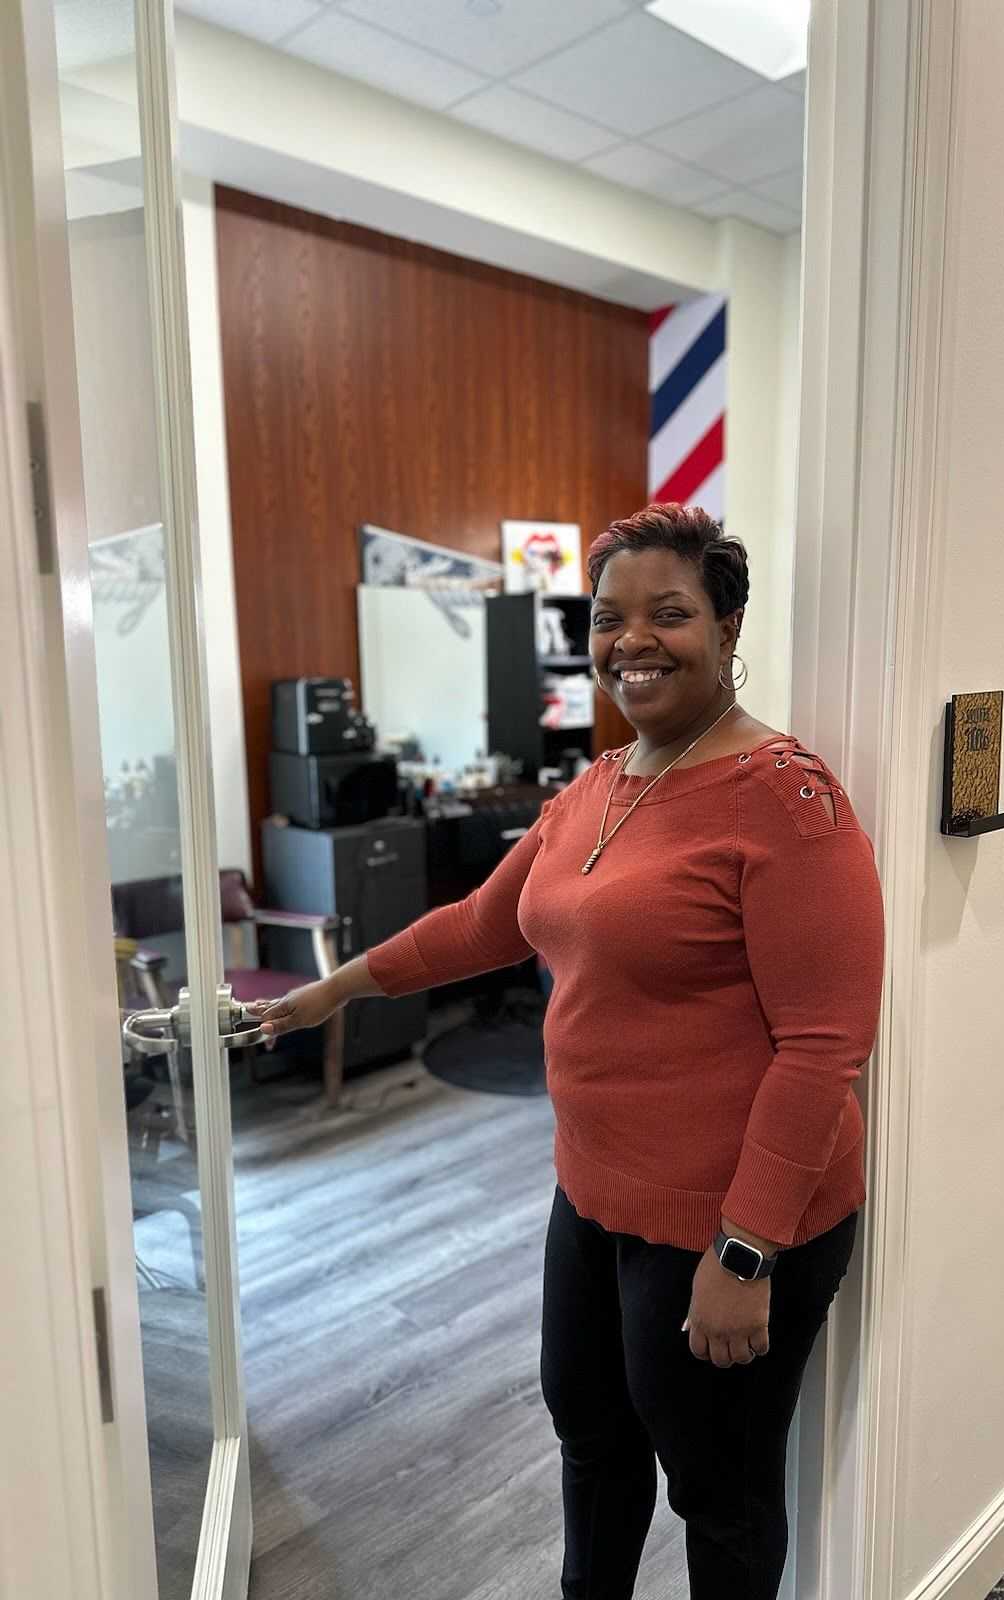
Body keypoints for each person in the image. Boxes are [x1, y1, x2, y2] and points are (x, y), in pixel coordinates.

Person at [252, 502, 886, 1600]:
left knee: (718, 1495)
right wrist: (334, 993)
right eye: (608, 618)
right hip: (591, 1194)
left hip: (728, 1217)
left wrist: (746, 1251)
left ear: (730, 629)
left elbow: (825, 1047)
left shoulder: (788, 800)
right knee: (592, 1441)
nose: (631, 640)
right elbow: (480, 924)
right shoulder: (598, 783)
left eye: (669, 614)